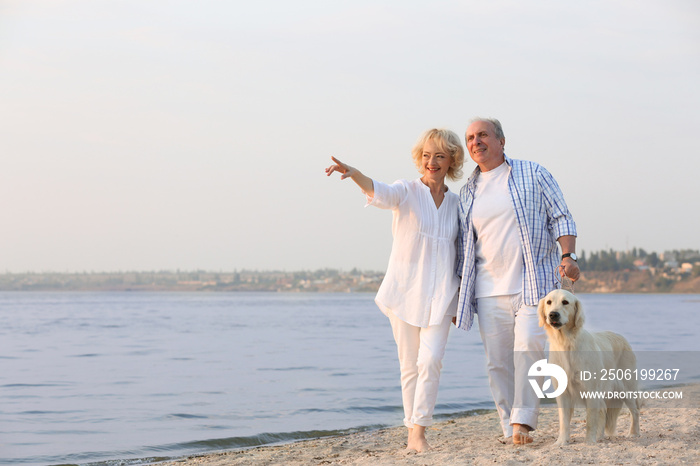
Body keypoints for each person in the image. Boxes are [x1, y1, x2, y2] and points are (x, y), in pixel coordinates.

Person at [325, 128, 465, 452]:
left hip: (443, 295)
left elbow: (463, 253)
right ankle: (415, 434)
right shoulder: (407, 191)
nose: (432, 162)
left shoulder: (458, 204)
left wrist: (461, 302)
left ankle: (419, 430)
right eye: (427, 155)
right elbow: (381, 192)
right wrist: (355, 174)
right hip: (404, 292)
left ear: (451, 161)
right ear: (420, 159)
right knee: (409, 365)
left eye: (440, 156)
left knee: (431, 361)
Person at [454, 118, 580, 445]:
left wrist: (568, 257)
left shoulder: (533, 173)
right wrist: (457, 297)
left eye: (483, 135)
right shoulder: (467, 191)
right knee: (497, 363)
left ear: (501, 140)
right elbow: (462, 248)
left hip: (533, 284)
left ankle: (522, 423)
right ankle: (509, 424)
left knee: (528, 351)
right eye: (470, 138)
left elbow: (561, 216)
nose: (476, 142)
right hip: (487, 289)